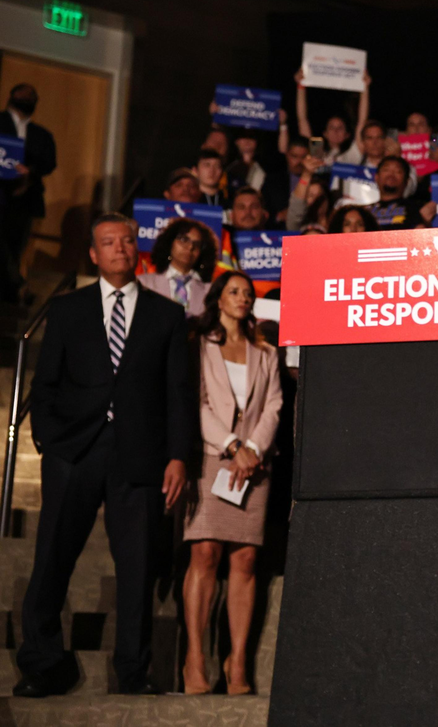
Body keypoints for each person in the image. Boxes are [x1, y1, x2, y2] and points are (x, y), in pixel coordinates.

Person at [15, 214, 190, 697]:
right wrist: (50, 439)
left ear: (139, 249)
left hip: (140, 454)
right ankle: (44, 665)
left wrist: (178, 456)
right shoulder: (67, 308)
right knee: (52, 557)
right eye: (108, 242)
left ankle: (133, 673)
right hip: (74, 450)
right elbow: (44, 384)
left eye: (128, 240)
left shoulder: (166, 315)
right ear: (93, 254)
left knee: (136, 567)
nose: (119, 248)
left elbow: (178, 393)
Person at [181, 271, 283, 696]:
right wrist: (232, 444)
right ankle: (195, 657)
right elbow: (198, 402)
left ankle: (237, 661)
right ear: (217, 299)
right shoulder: (200, 345)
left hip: (255, 466)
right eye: (234, 291)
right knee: (205, 551)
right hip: (213, 458)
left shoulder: (265, 350)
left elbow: (275, 404)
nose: (242, 298)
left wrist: (253, 449)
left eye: (247, 293)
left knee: (244, 560)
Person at [0, 84, 56, 302]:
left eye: (33, 95)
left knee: (16, 246)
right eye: (24, 94)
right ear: (12, 96)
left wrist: (29, 171)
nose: (28, 98)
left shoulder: (42, 134)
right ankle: (18, 285)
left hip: (26, 199)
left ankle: (11, 295)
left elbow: (49, 162)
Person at [139, 217, 217, 317]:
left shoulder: (210, 291)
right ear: (169, 243)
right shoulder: (145, 284)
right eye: (184, 240)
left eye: (197, 244)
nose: (190, 247)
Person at [294, 68, 368, 165]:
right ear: (325, 133)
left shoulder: (353, 152)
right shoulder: (317, 151)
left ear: (347, 134)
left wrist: (365, 86)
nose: (335, 131)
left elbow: (362, 120)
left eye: (340, 128)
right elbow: (302, 119)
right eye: (331, 127)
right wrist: (300, 85)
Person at [364, 156, 432, 229]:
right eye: (386, 170)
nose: (391, 175)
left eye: (398, 171)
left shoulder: (417, 208)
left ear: (407, 181)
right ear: (376, 177)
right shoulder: (364, 211)